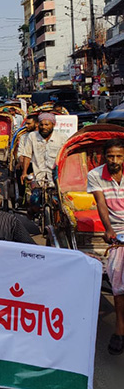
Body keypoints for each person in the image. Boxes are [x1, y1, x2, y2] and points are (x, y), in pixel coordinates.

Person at [87, 138, 124, 355]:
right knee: (118, 285)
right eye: (111, 156)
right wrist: (108, 229)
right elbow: (101, 203)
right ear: (104, 157)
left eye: (119, 156)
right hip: (117, 232)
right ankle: (119, 331)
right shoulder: (95, 175)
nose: (115, 160)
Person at [19, 113, 67, 213]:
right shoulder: (32, 136)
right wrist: (24, 172)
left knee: (59, 206)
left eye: (47, 125)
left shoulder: (62, 138)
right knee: (34, 202)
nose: (44, 127)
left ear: (53, 125)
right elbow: (27, 155)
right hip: (38, 177)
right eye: (41, 125)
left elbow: (65, 158)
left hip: (55, 179)